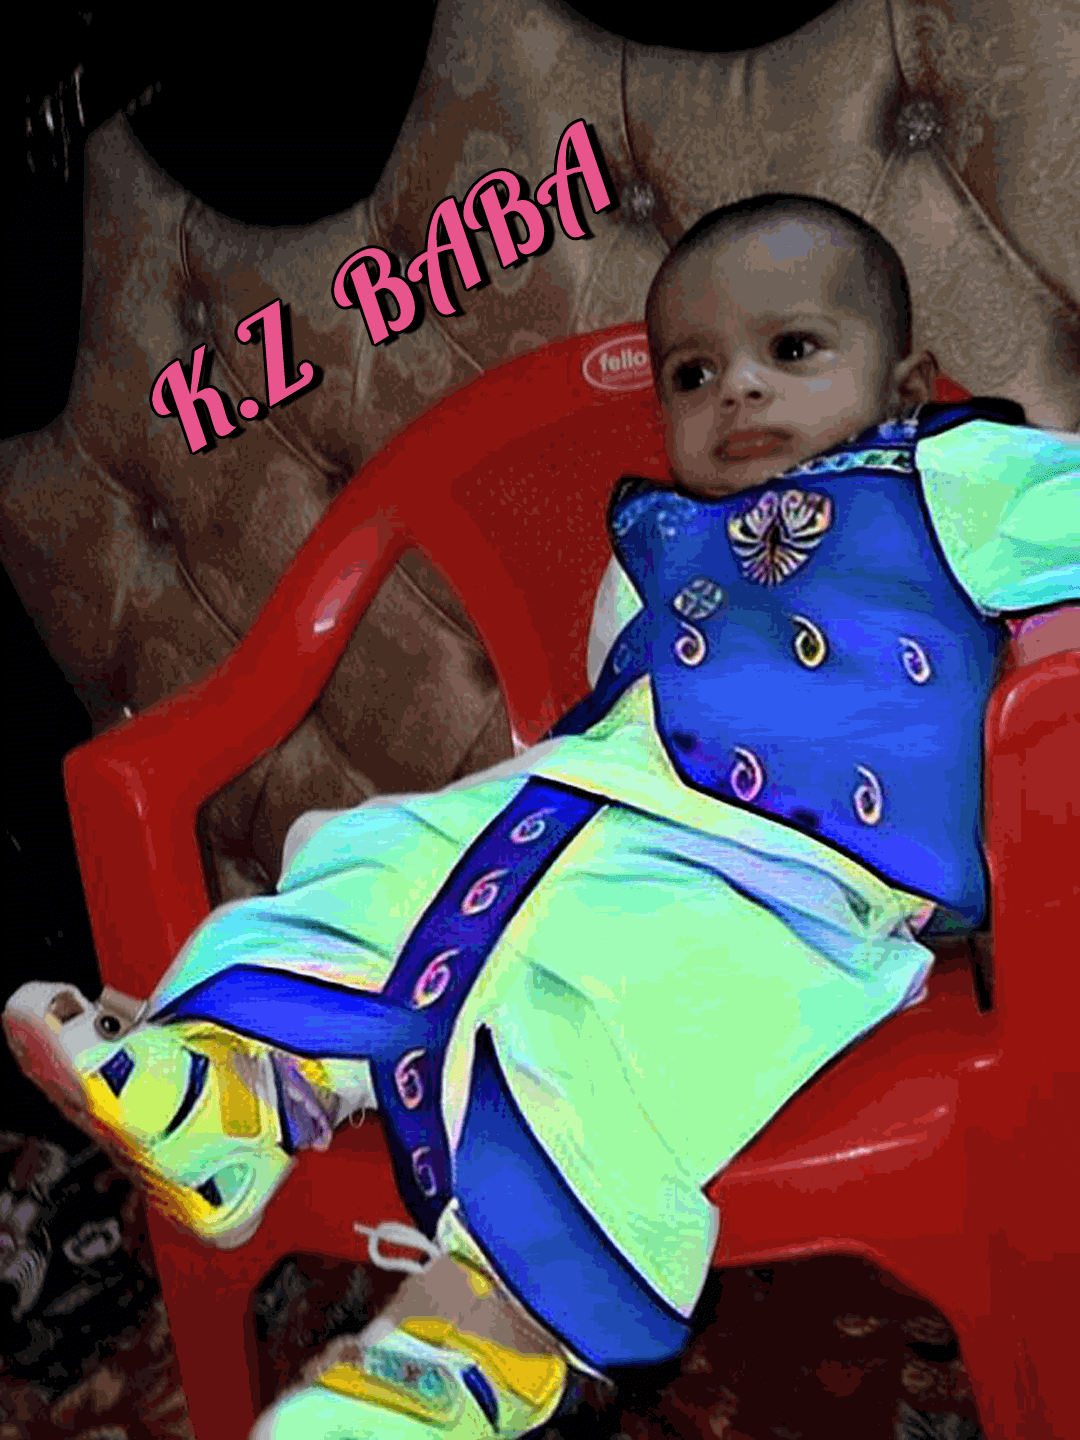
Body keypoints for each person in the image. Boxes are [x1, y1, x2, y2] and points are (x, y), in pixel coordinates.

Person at [5, 193, 1079, 1440]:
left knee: (597, 1025)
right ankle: (234, 1092)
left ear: (901, 384)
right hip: (575, 817)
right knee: (364, 855)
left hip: (790, 879)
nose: (736, 389)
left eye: (791, 350)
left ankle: (487, 1334)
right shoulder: (655, 544)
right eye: (692, 373)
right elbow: (605, 709)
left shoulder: (949, 475)